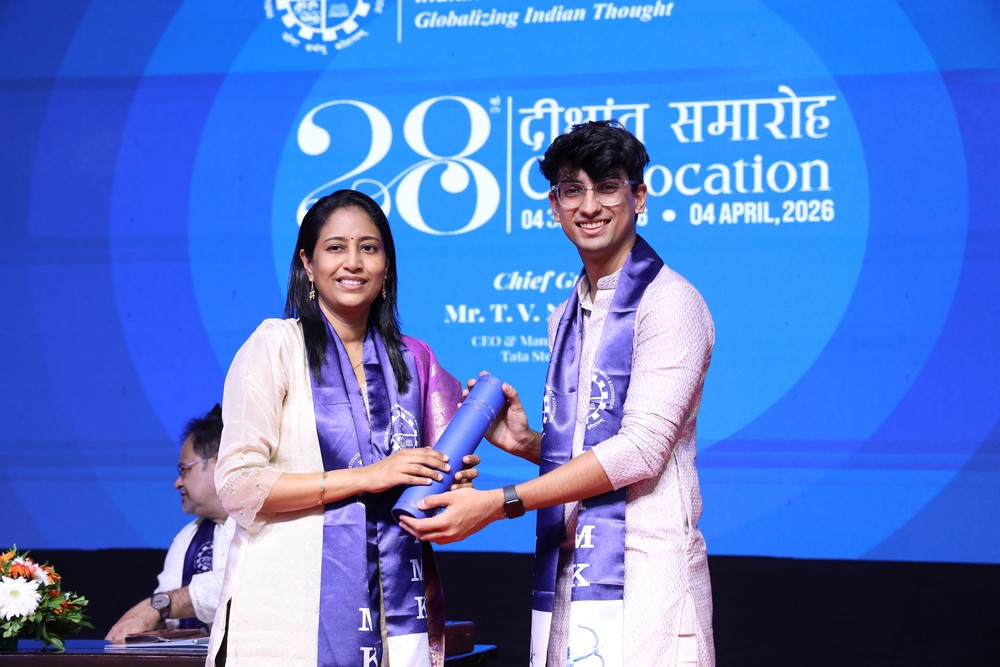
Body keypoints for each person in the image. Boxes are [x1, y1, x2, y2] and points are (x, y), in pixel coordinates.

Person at [401, 120, 716, 666]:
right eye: (573, 190)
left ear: (639, 197)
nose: (589, 206)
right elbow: (593, 448)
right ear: (554, 205)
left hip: (652, 586)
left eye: (607, 187)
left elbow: (640, 451)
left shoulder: (670, 303)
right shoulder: (565, 315)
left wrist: (500, 503)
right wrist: (529, 443)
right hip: (574, 577)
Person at [207, 189, 478, 666]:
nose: (353, 262)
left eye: (368, 248)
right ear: (308, 264)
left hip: (396, 610)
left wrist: (447, 482)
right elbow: (237, 486)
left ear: (387, 266)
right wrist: (367, 476)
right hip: (288, 612)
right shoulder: (275, 346)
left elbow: (436, 494)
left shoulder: (415, 360)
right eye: (336, 247)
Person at [106, 404, 235, 643]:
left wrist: (159, 606)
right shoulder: (189, 538)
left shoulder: (266, 523)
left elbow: (239, 585)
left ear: (219, 464)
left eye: (184, 470)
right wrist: (146, 622)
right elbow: (165, 609)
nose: (177, 483)